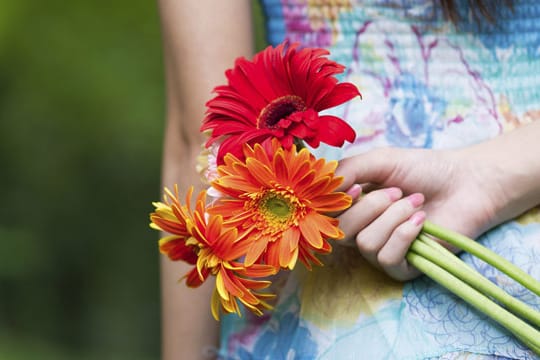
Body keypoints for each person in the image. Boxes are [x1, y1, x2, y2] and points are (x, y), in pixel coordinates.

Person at [157, 0, 540, 359]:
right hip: (307, 230)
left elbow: (199, 143)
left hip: (314, 292)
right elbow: (212, 154)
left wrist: (481, 181)